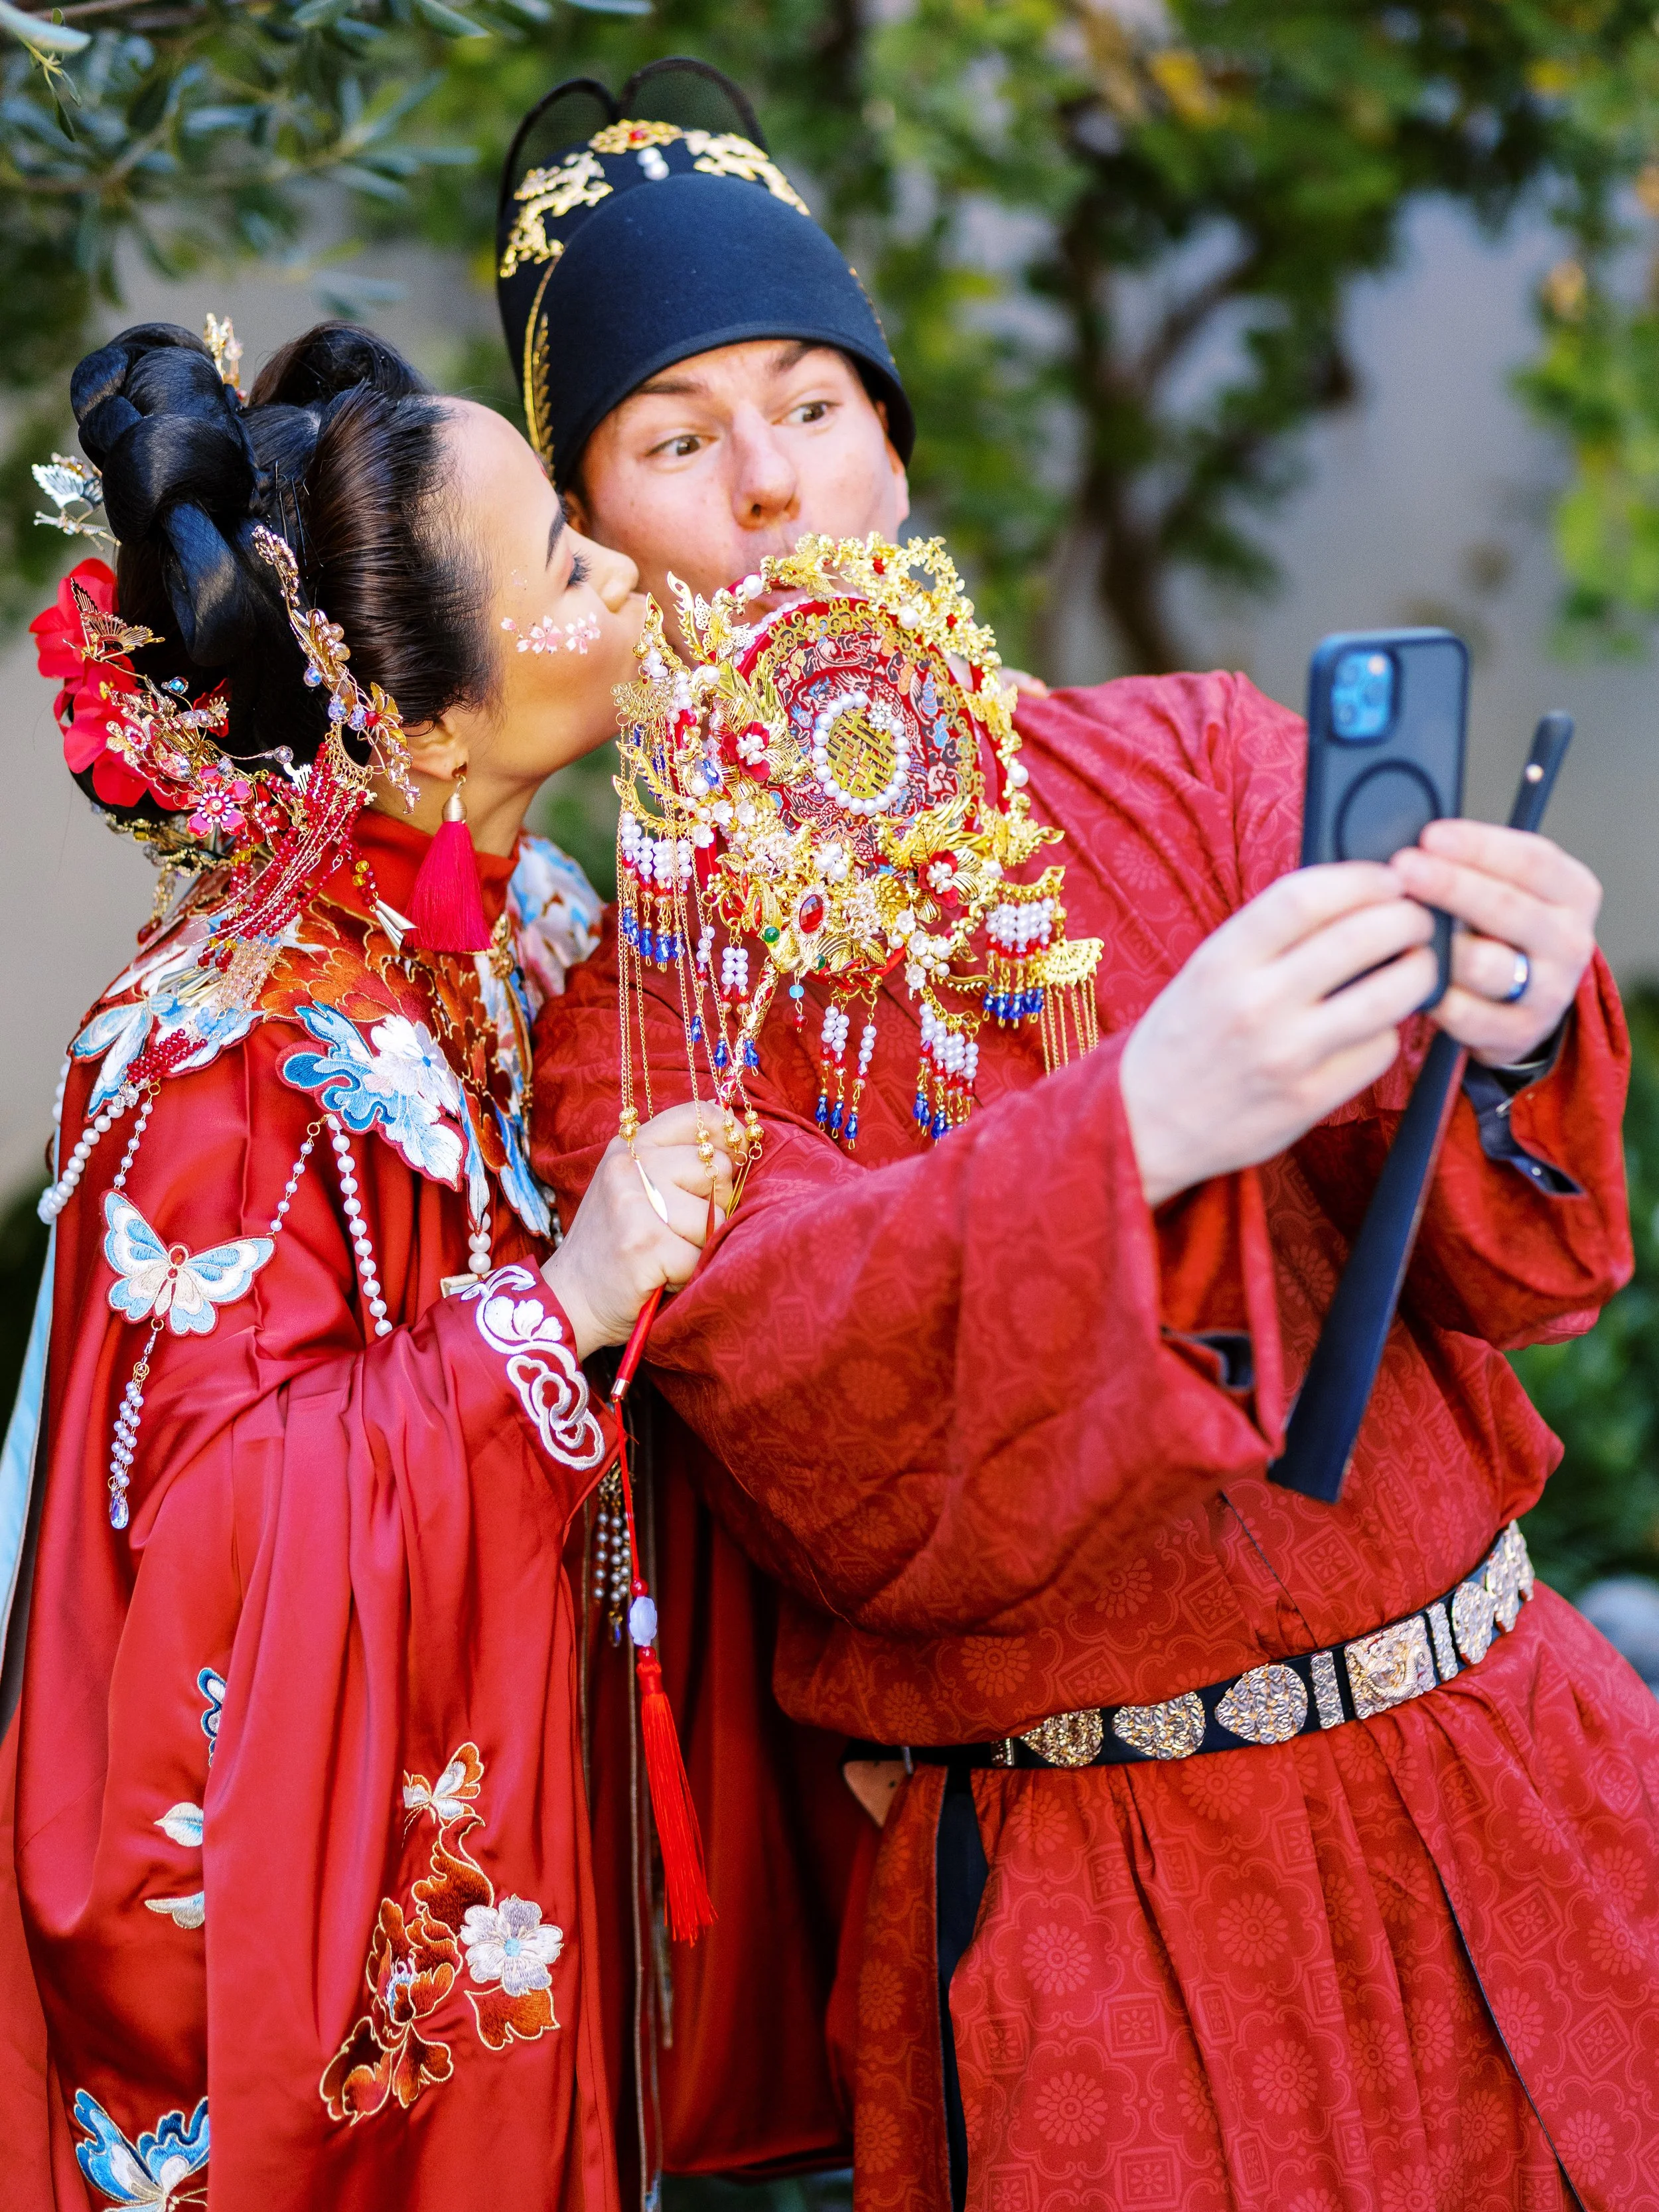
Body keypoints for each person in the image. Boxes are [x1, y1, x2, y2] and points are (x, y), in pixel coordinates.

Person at [504, 67, 1658, 2212]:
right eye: (677, 440)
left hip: (1519, 1780)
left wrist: (1509, 1019)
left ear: (892, 441)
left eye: (813, 402)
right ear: (597, 541)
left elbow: (1525, 1266)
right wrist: (1131, 1129)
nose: (771, 485)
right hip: (1091, 1923)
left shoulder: (1199, 758)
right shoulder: (627, 1038)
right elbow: (825, 1435)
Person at [0, 318, 736, 2211]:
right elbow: (204, 1563)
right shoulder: (218, 1051)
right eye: (568, 562)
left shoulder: (522, 921)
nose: (625, 569)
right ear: (426, 727)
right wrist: (552, 1313)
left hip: (510, 1815)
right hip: (322, 1929)